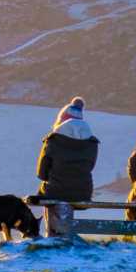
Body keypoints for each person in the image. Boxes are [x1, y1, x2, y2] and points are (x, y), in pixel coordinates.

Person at [35, 96, 100, 237]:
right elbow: (89, 167)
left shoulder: (53, 140)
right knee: (66, 190)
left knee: (46, 191)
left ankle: (53, 235)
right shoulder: (92, 143)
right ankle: (64, 233)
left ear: (61, 121)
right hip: (82, 192)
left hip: (55, 191)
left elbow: (41, 173)